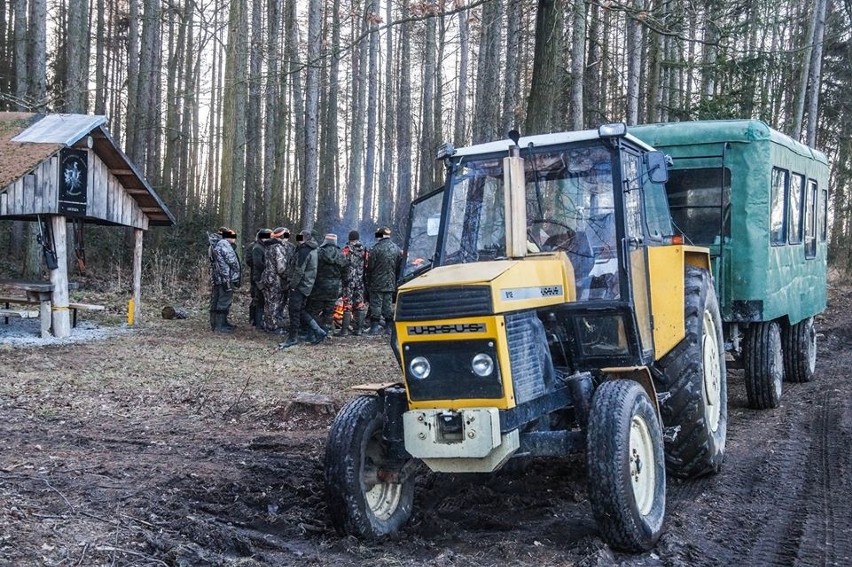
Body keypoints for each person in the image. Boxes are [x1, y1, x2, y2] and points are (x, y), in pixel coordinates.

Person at [279, 230, 327, 348]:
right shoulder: (313, 249)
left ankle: (292, 338)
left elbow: (299, 271)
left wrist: (292, 285)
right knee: (300, 310)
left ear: (303, 238)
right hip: (308, 285)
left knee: (294, 311)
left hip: (300, 285)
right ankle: (318, 331)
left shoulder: (304, 251)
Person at [308, 233, 348, 333]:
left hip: (319, 286)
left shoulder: (317, 253)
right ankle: (327, 331)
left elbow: (312, 268)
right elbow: (345, 273)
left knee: (315, 311)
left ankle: (315, 331)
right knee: (329, 311)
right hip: (334, 287)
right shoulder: (341, 255)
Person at [366, 225, 401, 335]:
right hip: (390, 282)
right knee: (388, 304)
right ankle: (389, 328)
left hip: (377, 282)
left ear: (380, 236)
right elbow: (399, 265)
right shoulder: (396, 248)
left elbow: (370, 266)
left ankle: (374, 328)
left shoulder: (376, 248)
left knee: (376, 304)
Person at [260, 227, 294, 333]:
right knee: (274, 303)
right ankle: (273, 327)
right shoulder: (278, 247)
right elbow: (281, 267)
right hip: (275, 279)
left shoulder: (268, 246)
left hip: (268, 276)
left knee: (269, 302)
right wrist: (288, 275)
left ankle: (268, 324)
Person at [207, 226, 241, 333]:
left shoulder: (215, 244)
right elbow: (232, 261)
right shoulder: (224, 244)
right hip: (226, 277)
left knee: (218, 299)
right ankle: (220, 326)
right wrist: (237, 271)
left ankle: (220, 323)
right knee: (224, 300)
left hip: (219, 277)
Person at [337, 230, 368, 336]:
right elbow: (367, 265)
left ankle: (344, 331)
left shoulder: (346, 249)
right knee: (359, 304)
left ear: (349, 238)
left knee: (347, 304)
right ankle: (358, 330)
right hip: (359, 281)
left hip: (348, 281)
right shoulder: (364, 250)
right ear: (358, 238)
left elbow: (340, 263)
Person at [247, 228, 271, 328]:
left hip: (260, 276)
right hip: (258, 277)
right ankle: (256, 322)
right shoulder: (257, 248)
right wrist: (268, 268)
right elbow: (257, 263)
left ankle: (256, 320)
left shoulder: (263, 246)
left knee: (259, 299)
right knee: (258, 299)